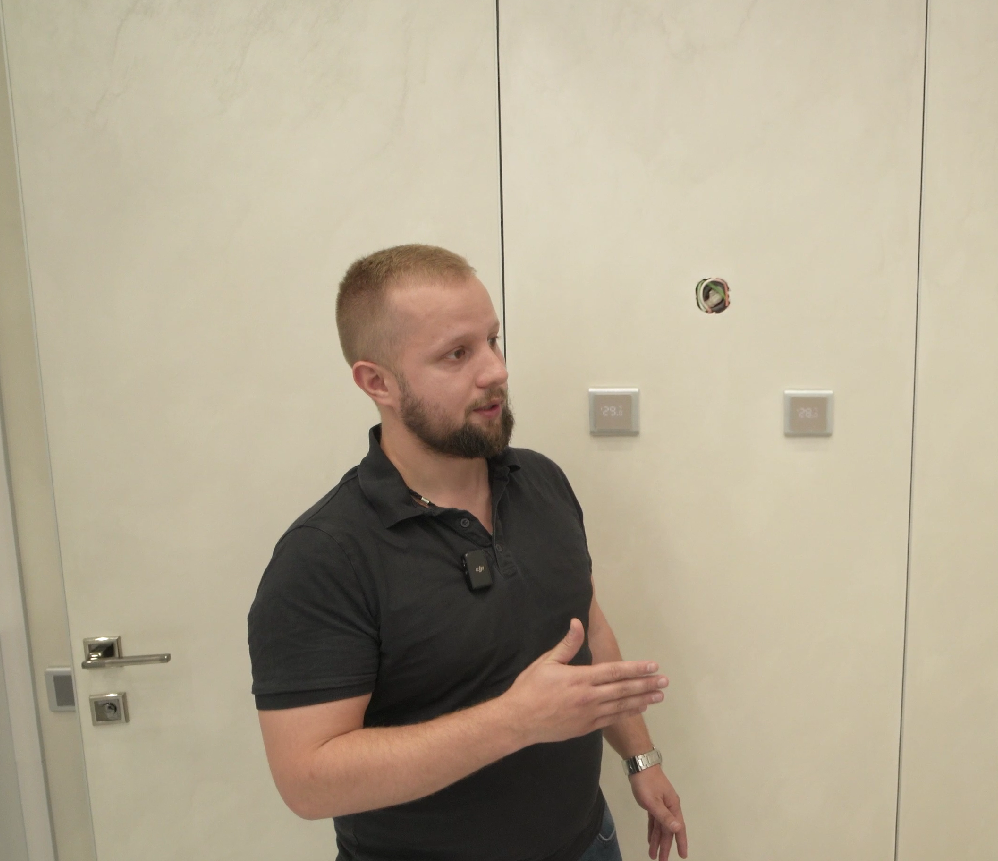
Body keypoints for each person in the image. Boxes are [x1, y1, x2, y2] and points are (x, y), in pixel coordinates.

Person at [248, 245, 688, 861]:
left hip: (588, 842)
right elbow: (307, 780)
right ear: (377, 382)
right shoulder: (325, 556)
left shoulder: (541, 482)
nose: (495, 371)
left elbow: (586, 625)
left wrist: (641, 758)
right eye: (457, 354)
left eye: (492, 340)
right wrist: (514, 721)